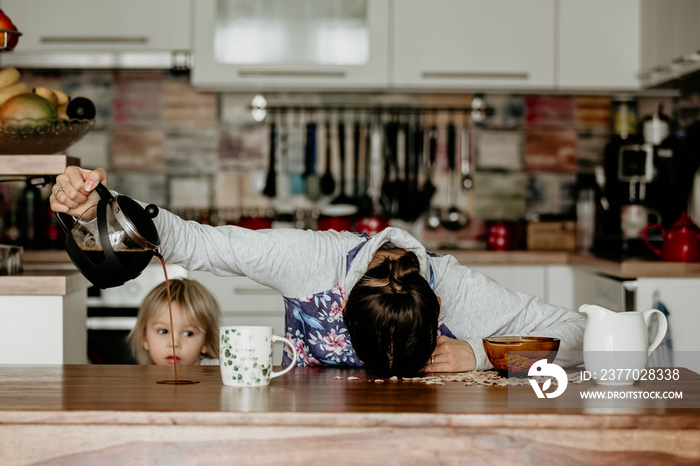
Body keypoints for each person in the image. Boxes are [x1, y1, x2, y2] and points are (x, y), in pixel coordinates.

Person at [52, 166, 585, 377]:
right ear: (343, 302)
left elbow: (580, 333)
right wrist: (94, 203)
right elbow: (193, 240)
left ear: (439, 308)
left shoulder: (459, 288)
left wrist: (479, 353)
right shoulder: (309, 260)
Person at [127, 278, 222, 366]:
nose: (174, 343)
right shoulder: (143, 376)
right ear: (145, 338)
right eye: (163, 331)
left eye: (188, 333)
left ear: (206, 342)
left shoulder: (218, 370)